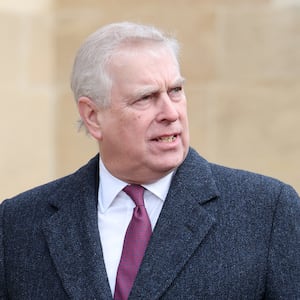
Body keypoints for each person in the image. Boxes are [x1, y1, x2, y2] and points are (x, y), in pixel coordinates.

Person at [0, 22, 299, 300]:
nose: (171, 112)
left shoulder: (267, 211)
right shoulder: (18, 223)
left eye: (176, 91)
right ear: (93, 116)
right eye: (145, 97)